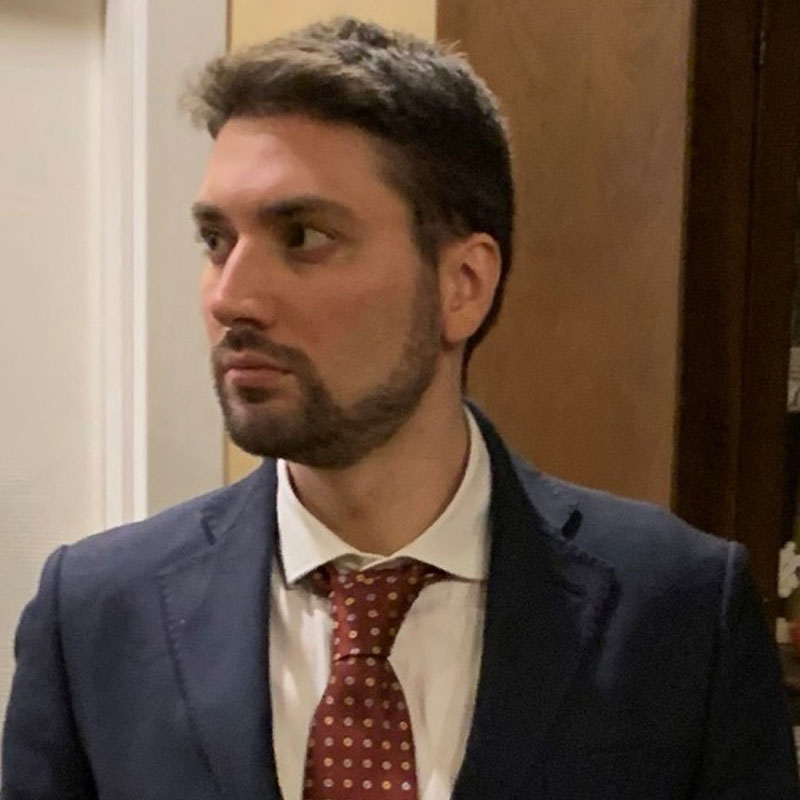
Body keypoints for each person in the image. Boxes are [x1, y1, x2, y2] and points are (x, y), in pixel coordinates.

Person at [2, 16, 797, 800]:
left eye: (303, 236)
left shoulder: (680, 615)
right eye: (217, 241)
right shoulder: (97, 617)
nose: (231, 297)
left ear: (463, 285)